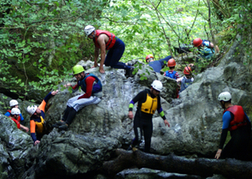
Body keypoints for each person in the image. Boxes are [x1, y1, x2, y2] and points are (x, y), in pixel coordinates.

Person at [53, 65, 102, 131]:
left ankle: (67, 124)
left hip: (95, 97)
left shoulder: (89, 79)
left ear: (82, 73)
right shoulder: (81, 79)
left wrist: (80, 98)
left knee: (75, 104)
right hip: (89, 95)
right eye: (75, 75)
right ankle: (62, 121)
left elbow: (88, 94)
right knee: (70, 101)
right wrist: (69, 86)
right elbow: (74, 89)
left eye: (77, 75)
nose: (76, 77)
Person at [128, 80, 170, 153]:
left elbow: (159, 109)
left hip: (148, 120)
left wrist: (164, 119)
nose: (157, 93)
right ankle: (132, 146)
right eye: (156, 91)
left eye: (158, 92)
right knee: (138, 138)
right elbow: (132, 101)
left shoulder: (157, 98)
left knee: (148, 141)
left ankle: (146, 157)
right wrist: (130, 111)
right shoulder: (143, 94)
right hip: (139, 119)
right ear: (152, 88)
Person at [215, 92, 251, 160]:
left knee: (223, 157)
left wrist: (220, 149)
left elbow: (224, 132)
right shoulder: (240, 109)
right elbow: (249, 123)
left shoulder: (227, 114)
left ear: (223, 102)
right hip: (247, 139)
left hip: (236, 140)